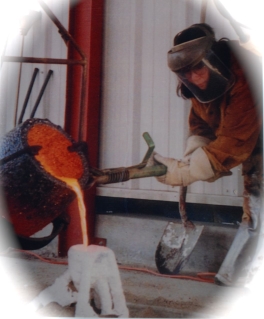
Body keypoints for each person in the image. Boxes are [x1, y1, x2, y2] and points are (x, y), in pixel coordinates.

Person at [153, 23, 263, 286]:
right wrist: (195, 150)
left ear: (213, 59)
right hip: (255, 140)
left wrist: (185, 171)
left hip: (253, 133)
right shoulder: (199, 83)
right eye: (184, 73)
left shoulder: (246, 74)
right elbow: (203, 123)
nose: (191, 78)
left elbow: (233, 143)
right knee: (256, 204)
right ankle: (237, 274)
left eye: (196, 69)